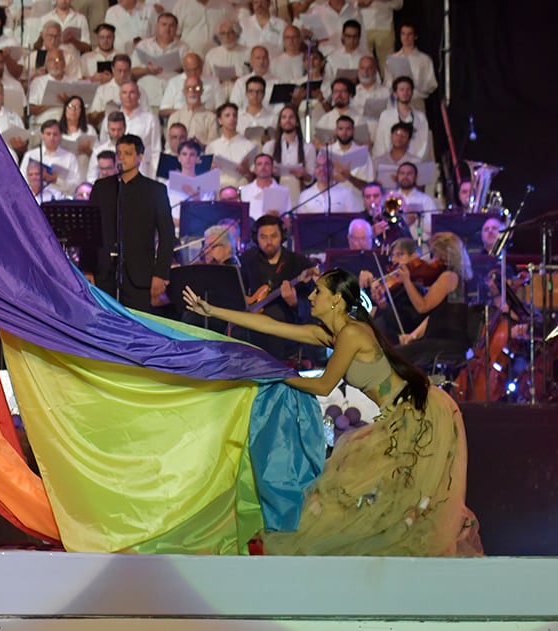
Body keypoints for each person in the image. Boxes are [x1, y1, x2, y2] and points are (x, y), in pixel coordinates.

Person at [182, 269, 480, 556]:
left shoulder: (351, 333)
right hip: (398, 415)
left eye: (318, 291)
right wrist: (212, 311)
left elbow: (324, 386)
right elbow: (270, 326)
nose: (310, 297)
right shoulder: (334, 335)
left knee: (395, 498)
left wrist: (272, 375)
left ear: (337, 299)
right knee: (381, 497)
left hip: (418, 414)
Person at [88, 133, 174, 312]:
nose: (121, 157)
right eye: (118, 153)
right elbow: (90, 232)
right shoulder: (101, 188)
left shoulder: (155, 191)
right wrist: (87, 268)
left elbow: (167, 235)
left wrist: (160, 274)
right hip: (104, 275)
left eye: (127, 153)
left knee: (137, 328)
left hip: (140, 277)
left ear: (139, 157)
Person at [237, 215, 316, 362]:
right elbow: (238, 287)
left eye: (273, 236)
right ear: (256, 238)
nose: (268, 242)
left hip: (285, 320)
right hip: (253, 317)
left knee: (274, 315)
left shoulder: (298, 263)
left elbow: (311, 302)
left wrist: (294, 303)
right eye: (263, 237)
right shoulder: (247, 259)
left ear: (283, 236)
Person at [393, 232, 474, 369]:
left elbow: (422, 306)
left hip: (447, 342)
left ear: (444, 254)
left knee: (394, 355)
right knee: (397, 351)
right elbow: (436, 315)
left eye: (434, 254)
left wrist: (406, 280)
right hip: (444, 341)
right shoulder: (456, 276)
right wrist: (412, 336)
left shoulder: (449, 276)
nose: (432, 260)